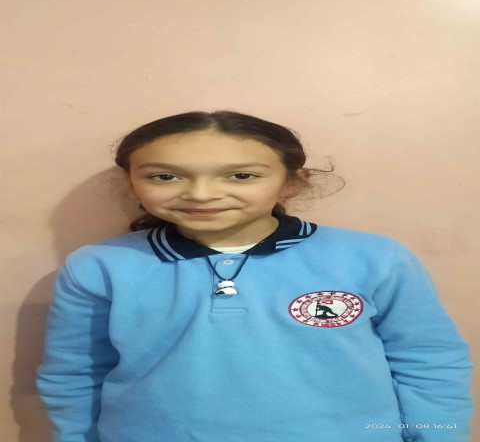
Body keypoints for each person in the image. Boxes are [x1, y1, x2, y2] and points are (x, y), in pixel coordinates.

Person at [36, 110, 474, 442]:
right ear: (132, 184)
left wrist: (438, 434)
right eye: (165, 176)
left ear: (292, 183)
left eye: (241, 175)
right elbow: (75, 373)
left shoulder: (374, 258)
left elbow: (428, 360)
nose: (201, 194)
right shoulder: (99, 265)